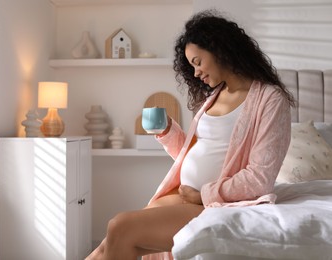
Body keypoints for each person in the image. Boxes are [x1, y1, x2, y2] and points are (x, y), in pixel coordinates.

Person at [86, 9, 295, 260]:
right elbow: (194, 150)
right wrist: (166, 132)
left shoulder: (270, 100)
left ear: (220, 48)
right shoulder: (214, 97)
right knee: (107, 244)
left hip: (213, 203)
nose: (195, 73)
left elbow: (259, 178)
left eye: (197, 62)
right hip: (184, 194)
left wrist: (204, 194)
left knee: (119, 226)